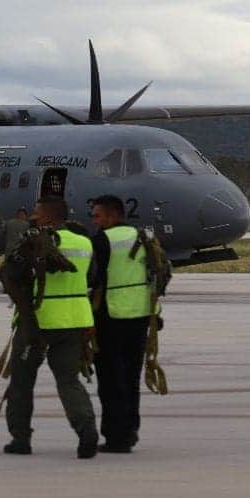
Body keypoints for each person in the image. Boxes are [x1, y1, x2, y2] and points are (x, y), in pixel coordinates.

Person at [2, 195, 99, 459]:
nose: (33, 216)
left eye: (36, 212)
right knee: (69, 380)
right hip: (75, 320)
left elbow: (12, 275)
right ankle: (87, 430)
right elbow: (91, 277)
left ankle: (20, 438)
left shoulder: (32, 243)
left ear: (46, 216)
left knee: (22, 381)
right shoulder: (84, 242)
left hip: (38, 321)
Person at [89, 194, 157, 453]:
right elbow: (158, 275)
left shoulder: (102, 240)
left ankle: (116, 437)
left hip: (111, 317)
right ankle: (130, 431)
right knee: (131, 378)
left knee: (110, 380)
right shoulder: (145, 238)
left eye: (98, 216)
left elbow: (92, 277)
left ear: (113, 216)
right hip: (140, 317)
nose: (94, 221)